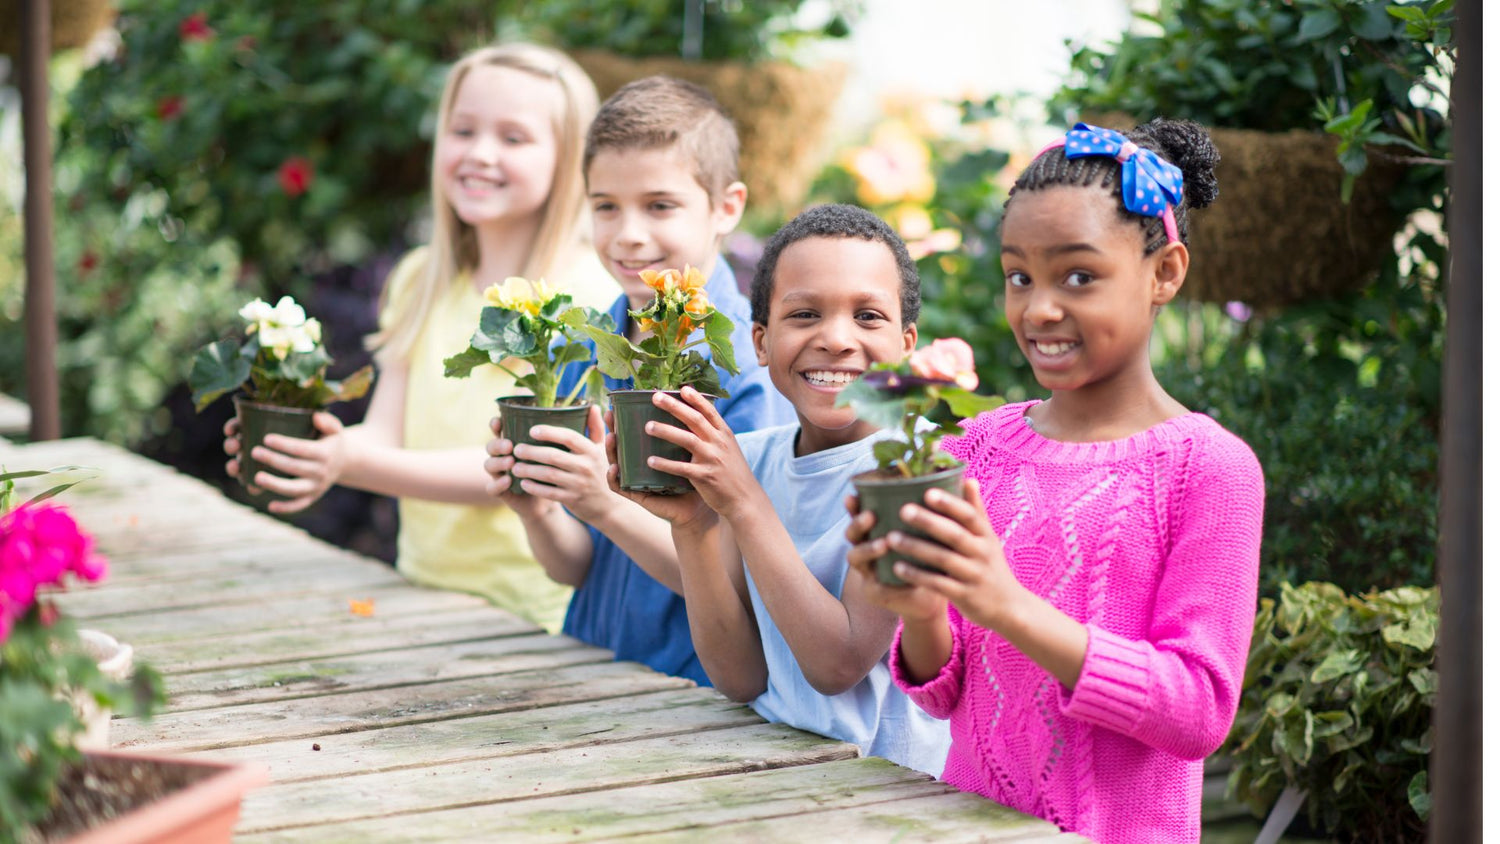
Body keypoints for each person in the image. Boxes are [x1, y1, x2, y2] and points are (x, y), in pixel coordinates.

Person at [844, 119, 1265, 842]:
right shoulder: (974, 445)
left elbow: (1198, 710)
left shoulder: (1210, 468)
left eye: (1079, 275)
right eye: (1019, 276)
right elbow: (944, 694)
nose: (1039, 308)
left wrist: (1006, 605)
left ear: (1165, 272)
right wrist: (918, 609)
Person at [223, 43, 619, 633]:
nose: (480, 154)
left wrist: (348, 462)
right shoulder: (421, 277)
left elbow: (522, 470)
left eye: (514, 138)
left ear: (568, 163)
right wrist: (315, 450)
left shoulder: (589, 294)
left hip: (537, 618)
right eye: (463, 130)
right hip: (419, 594)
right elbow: (387, 432)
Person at [618, 204, 950, 777]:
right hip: (778, 770)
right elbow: (740, 675)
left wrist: (743, 504)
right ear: (761, 342)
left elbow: (838, 664)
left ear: (907, 344)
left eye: (868, 315)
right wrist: (693, 526)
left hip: (892, 790)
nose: (837, 339)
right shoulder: (754, 459)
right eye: (805, 314)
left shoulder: (917, 470)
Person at [482, 76, 793, 684]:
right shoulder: (590, 344)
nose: (627, 233)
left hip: (691, 685)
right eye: (605, 206)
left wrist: (600, 501)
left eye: (659, 205)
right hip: (591, 666)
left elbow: (737, 579)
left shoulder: (748, 366)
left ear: (726, 208)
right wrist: (537, 509)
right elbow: (576, 567)